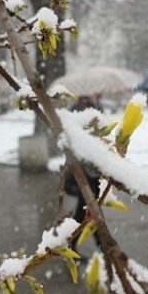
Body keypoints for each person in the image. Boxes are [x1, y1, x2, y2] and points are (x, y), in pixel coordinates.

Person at [64, 95, 102, 258]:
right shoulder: (73, 116)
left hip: (93, 172)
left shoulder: (96, 112)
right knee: (88, 211)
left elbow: (101, 136)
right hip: (81, 173)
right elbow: (70, 141)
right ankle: (101, 244)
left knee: (91, 210)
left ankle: (98, 244)